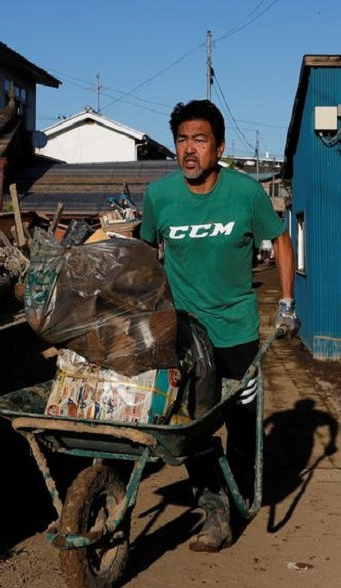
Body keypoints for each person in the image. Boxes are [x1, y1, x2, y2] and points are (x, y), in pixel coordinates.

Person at [140, 99, 299, 552]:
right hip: (186, 337)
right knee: (194, 428)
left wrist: (286, 301)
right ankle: (216, 510)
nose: (189, 149)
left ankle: (241, 492)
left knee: (245, 425)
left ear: (219, 147)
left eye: (200, 140)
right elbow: (144, 254)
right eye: (182, 140)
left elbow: (282, 239)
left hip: (238, 334)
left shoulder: (246, 193)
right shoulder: (160, 197)